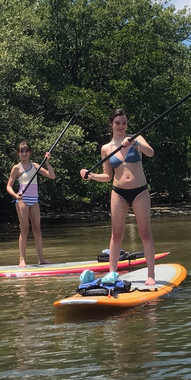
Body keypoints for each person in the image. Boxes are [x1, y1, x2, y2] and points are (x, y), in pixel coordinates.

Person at [80, 109, 157, 285]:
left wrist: (136, 142)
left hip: (140, 191)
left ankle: (150, 275)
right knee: (116, 234)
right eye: (118, 123)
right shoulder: (106, 148)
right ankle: (112, 273)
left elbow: (151, 153)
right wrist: (91, 176)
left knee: (145, 233)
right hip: (119, 192)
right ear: (111, 124)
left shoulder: (136, 139)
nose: (121, 126)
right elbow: (107, 176)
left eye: (124, 123)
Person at [6, 141, 57, 268]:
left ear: (30, 152)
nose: (24, 153)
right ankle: (22, 259)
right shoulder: (16, 168)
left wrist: (47, 162)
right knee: (24, 229)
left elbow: (52, 176)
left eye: (26, 151)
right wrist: (15, 195)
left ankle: (41, 258)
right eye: (21, 151)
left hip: (34, 200)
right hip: (22, 200)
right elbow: (8, 186)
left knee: (37, 229)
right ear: (18, 153)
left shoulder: (35, 166)